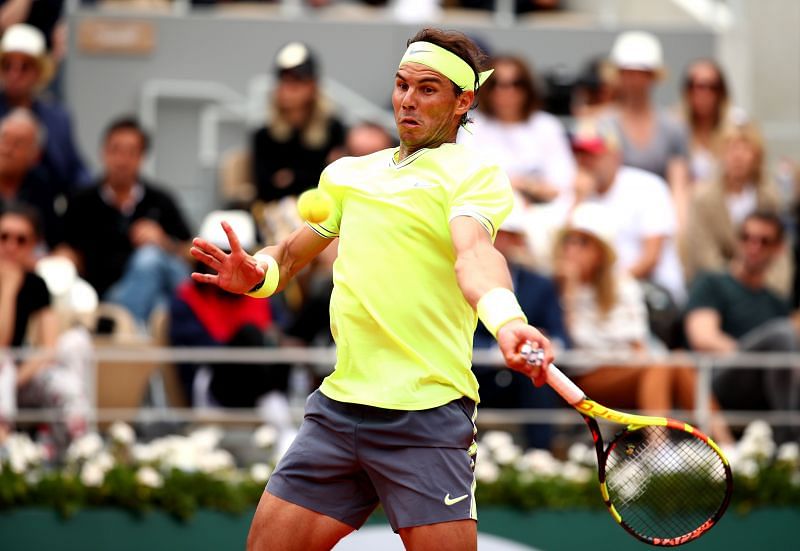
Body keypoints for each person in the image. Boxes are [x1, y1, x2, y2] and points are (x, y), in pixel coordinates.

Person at [190, 28, 554, 551]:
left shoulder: (474, 175)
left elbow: (475, 254)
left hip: (426, 414)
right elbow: (290, 256)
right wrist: (257, 275)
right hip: (339, 409)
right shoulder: (348, 175)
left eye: (428, 89)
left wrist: (507, 320)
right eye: (402, 84)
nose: (408, 100)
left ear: (463, 101)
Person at [553, 202, 732, 445]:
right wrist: (570, 292)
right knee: (658, 365)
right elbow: (571, 343)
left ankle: (725, 446)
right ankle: (659, 450)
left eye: (582, 241)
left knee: (679, 361)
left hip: (625, 370)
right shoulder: (553, 286)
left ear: (600, 250)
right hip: (582, 378)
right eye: (569, 240)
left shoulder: (623, 285)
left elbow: (637, 344)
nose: (572, 249)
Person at [56, 116, 192, 326]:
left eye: (131, 152)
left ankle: (137, 332)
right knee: (153, 278)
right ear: (103, 153)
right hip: (106, 295)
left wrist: (163, 241)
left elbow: (190, 253)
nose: (122, 160)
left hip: (157, 288)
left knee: (153, 263)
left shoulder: (161, 200)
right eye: (115, 150)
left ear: (142, 157)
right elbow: (62, 249)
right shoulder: (81, 202)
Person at [684, 211, 800, 442]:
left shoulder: (776, 302)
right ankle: (791, 439)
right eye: (746, 237)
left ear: (778, 249)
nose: (753, 246)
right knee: (781, 335)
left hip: (764, 392)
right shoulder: (712, 282)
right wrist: (757, 354)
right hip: (717, 382)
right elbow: (703, 338)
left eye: (763, 241)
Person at [473, 206, 568, 450]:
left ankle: (540, 456)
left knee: (538, 379)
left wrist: (540, 347)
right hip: (479, 379)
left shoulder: (540, 283)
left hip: (524, 380)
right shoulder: (464, 279)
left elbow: (560, 335)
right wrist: (497, 351)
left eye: (506, 233)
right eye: (494, 231)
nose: (498, 238)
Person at [570, 119, 686, 310]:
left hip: (651, 292)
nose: (586, 162)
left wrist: (609, 286)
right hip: (600, 297)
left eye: (593, 155)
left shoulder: (646, 186)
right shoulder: (578, 193)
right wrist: (578, 200)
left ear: (615, 156)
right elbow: (566, 252)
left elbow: (651, 259)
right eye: (580, 155)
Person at [0, 203, 89, 447]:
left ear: (32, 245)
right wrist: (7, 291)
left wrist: (15, 379)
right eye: (4, 237)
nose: (10, 246)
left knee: (75, 344)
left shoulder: (35, 284)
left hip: (15, 379)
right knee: (2, 360)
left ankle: (76, 449)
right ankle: (4, 447)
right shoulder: (12, 282)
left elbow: (49, 347)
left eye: (21, 240)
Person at [684, 121, 792, 297]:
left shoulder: (769, 197)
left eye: (745, 149)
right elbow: (704, 256)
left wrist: (772, 290)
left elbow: (780, 252)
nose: (738, 156)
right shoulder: (703, 199)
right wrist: (737, 285)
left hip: (763, 287)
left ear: (757, 156)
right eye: (731, 148)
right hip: (717, 289)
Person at [458, 54, 575, 209]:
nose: (506, 91)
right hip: (490, 209)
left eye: (516, 83)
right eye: (496, 84)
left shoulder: (546, 125)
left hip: (544, 210)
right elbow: (467, 177)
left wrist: (527, 186)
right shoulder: (471, 125)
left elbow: (563, 181)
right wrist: (514, 186)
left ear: (528, 88)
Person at [603, 31, 691, 229]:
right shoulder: (603, 125)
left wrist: (679, 230)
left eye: (641, 72)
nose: (634, 80)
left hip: (658, 223)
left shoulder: (673, 127)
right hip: (615, 221)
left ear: (652, 76)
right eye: (627, 72)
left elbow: (678, 186)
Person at [251, 41, 346, 204]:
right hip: (276, 213)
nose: (289, 89)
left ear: (313, 85)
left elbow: (334, 182)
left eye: (297, 81)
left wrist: (290, 177)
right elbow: (265, 188)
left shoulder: (333, 129)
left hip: (322, 213)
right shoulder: (264, 135)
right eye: (284, 81)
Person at [0, 23, 90, 194]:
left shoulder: (58, 119)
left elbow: (74, 170)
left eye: (24, 67)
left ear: (39, 71)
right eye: (7, 65)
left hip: (45, 210)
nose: (14, 74)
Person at [0, 107, 62, 249]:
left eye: (17, 143)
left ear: (35, 156)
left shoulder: (43, 187)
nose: (6, 149)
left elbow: (52, 240)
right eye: (4, 139)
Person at [680, 59, 732, 185]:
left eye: (712, 87)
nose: (705, 93)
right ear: (687, 91)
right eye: (698, 86)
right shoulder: (675, 128)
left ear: (721, 92)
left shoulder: (735, 127)